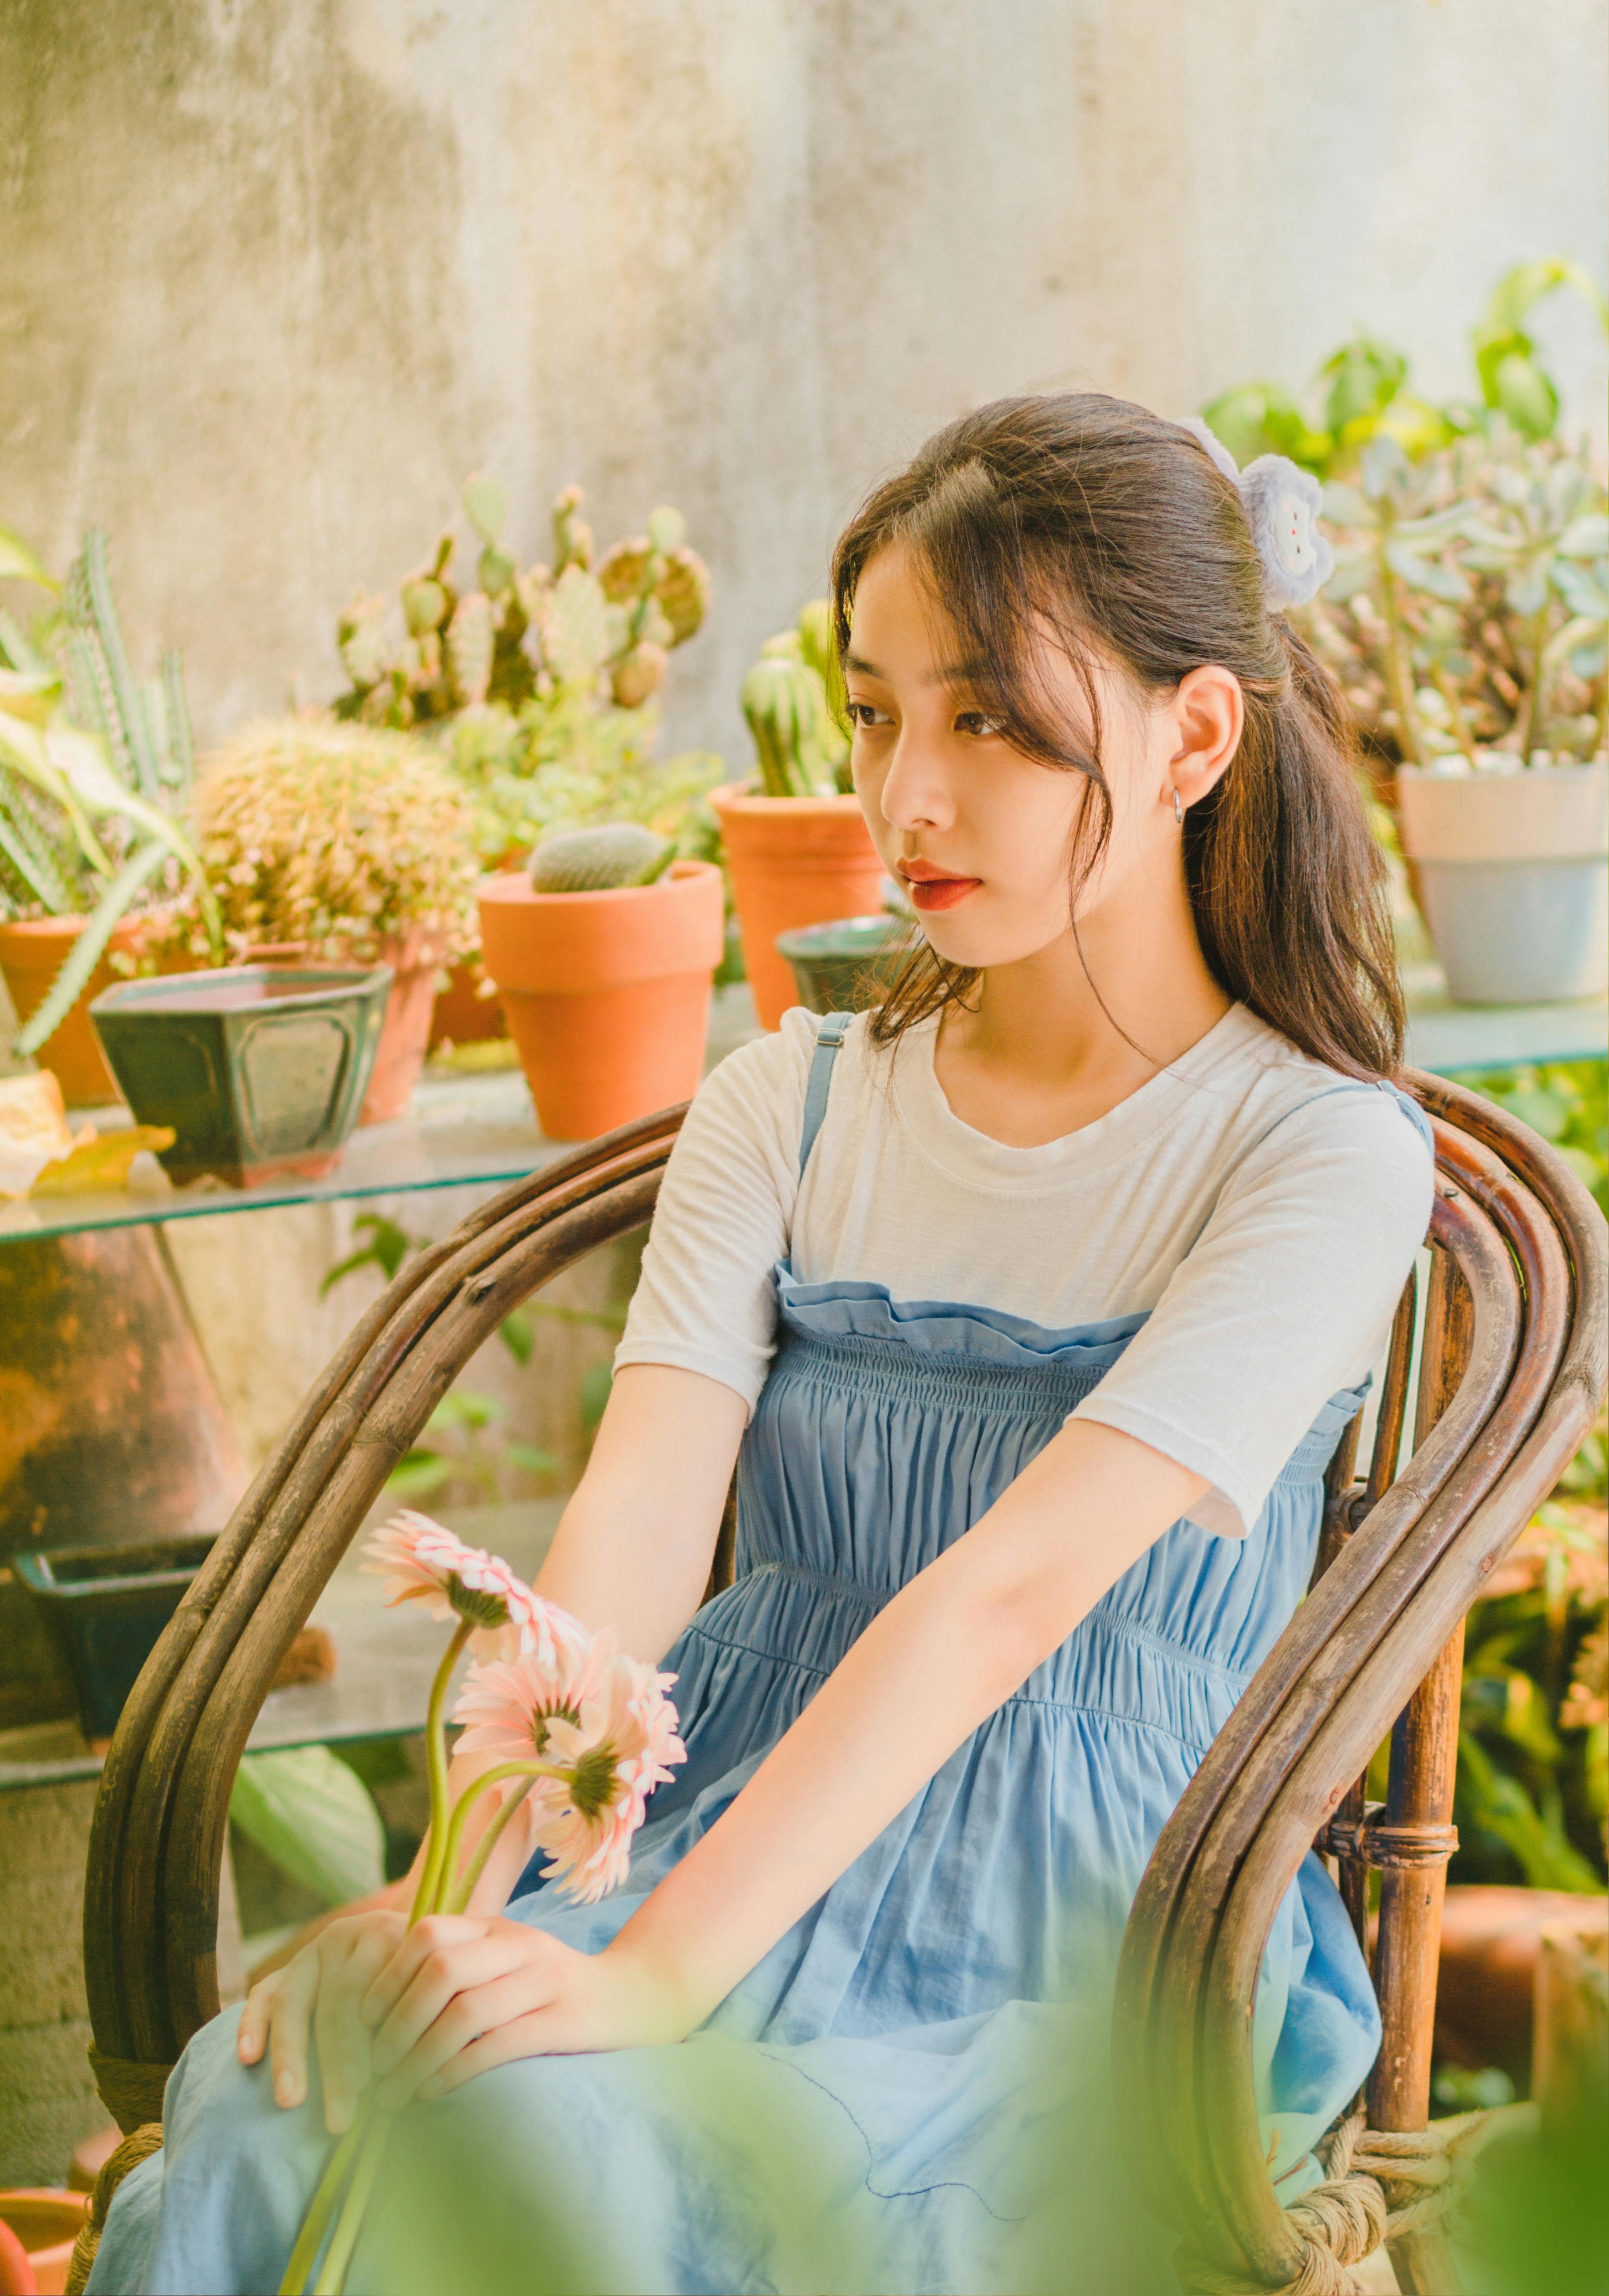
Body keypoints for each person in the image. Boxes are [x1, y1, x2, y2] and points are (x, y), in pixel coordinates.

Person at [89, 395, 1433, 2296]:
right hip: (709, 1806)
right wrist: (451, 1887)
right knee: (273, 2098)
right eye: (878, 712)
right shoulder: (789, 1104)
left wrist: (645, 1978)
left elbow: (1001, 1604)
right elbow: (627, 1548)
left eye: (989, 720)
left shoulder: (1314, 1152)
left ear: (1195, 733)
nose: (908, 797)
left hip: (1063, 1938)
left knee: (528, 2152)